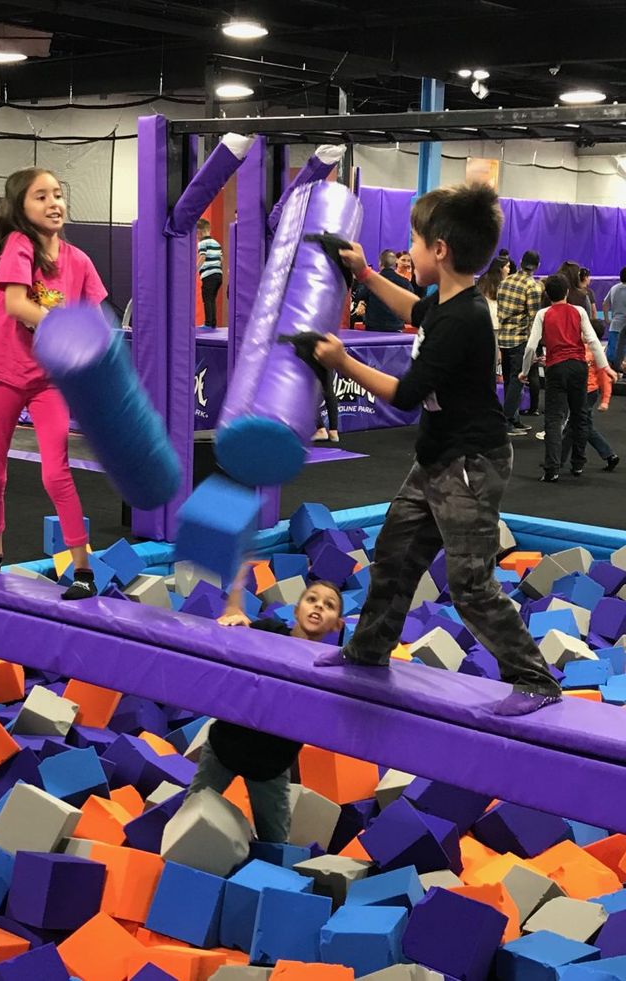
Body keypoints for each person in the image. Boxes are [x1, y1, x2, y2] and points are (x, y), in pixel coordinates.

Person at [314, 183, 562, 717]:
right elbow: (416, 307)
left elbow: (404, 397)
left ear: (440, 250)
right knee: (395, 554)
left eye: (415, 242)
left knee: (469, 582)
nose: (411, 251)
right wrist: (364, 273)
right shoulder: (449, 304)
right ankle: (368, 649)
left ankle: (534, 678)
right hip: (437, 457)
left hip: (470, 464)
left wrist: (341, 362)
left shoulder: (465, 318)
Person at [0, 167, 107, 599]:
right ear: (21, 208)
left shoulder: (79, 261)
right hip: (6, 371)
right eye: (40, 197)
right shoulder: (18, 246)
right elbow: (20, 304)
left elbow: (94, 322)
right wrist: (64, 327)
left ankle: (82, 570)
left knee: (57, 472)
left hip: (48, 381)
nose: (53, 203)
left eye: (58, 194)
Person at [184, 577, 344, 842]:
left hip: (270, 767)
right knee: (188, 820)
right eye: (312, 599)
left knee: (275, 841)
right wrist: (235, 617)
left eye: (328, 605)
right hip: (224, 747)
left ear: (337, 624)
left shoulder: (327, 668)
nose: (317, 607)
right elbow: (237, 632)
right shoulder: (269, 630)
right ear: (296, 609)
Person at [519, 274, 616, 483]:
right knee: (580, 415)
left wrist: (525, 371)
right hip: (578, 367)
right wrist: (605, 367)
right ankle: (578, 464)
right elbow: (593, 341)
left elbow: (530, 347)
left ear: (547, 294)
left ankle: (552, 469)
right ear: (566, 292)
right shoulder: (579, 311)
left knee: (554, 419)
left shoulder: (543, 314)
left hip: (555, 369)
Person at [496, 249, 542, 436]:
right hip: (519, 339)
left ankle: (513, 420)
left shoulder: (505, 281)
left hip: (503, 338)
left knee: (509, 380)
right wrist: (535, 347)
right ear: (537, 266)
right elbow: (533, 318)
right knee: (518, 380)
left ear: (521, 261)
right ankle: (505, 422)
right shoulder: (533, 286)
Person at [561, 347, 618, 474]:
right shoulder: (574, 349)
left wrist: (605, 400)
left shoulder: (595, 352)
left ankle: (558, 460)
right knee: (584, 426)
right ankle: (609, 455)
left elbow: (604, 377)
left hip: (588, 393)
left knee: (573, 426)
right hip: (578, 392)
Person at [354, 249, 415, 331]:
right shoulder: (405, 283)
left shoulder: (371, 281)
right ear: (395, 264)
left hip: (373, 328)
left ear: (380, 263)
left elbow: (359, 295)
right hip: (396, 328)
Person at [196, 218, 223, 328]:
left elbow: (202, 256)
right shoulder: (216, 243)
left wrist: (196, 268)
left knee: (207, 299)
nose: (196, 237)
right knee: (212, 299)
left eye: (196, 234)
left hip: (209, 275)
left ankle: (208, 323)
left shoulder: (202, 243)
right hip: (218, 275)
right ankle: (212, 323)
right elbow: (221, 258)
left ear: (200, 232)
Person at [603, 267, 626, 373]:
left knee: (612, 355)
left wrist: (607, 318)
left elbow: (605, 303)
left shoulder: (614, 288)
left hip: (614, 325)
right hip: (624, 328)